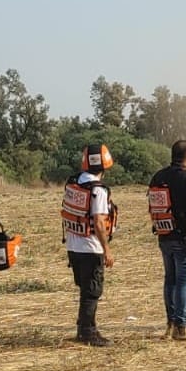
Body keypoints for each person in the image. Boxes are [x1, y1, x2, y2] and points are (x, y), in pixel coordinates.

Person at [147, 140, 186, 340]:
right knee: (184, 284)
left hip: (165, 236)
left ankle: (170, 324)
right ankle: (180, 328)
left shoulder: (158, 177)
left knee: (170, 281)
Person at [62, 144, 117, 347]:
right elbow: (99, 222)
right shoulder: (98, 190)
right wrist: (107, 250)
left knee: (85, 289)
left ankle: (83, 328)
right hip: (91, 247)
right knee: (92, 290)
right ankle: (88, 332)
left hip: (73, 245)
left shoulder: (74, 182)